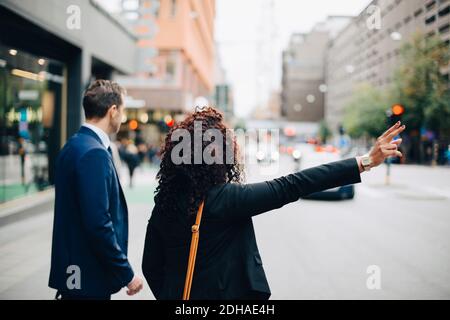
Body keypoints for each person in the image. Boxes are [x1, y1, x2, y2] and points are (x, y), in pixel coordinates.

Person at [142, 107, 405, 300]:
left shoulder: (164, 204)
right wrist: (366, 161)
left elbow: (150, 265)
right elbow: (293, 184)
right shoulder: (226, 199)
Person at [49, 80, 143, 300]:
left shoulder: (73, 145)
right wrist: (126, 274)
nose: (123, 116)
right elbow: (98, 223)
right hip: (88, 276)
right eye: (122, 110)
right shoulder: (95, 153)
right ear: (112, 111)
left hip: (74, 273)